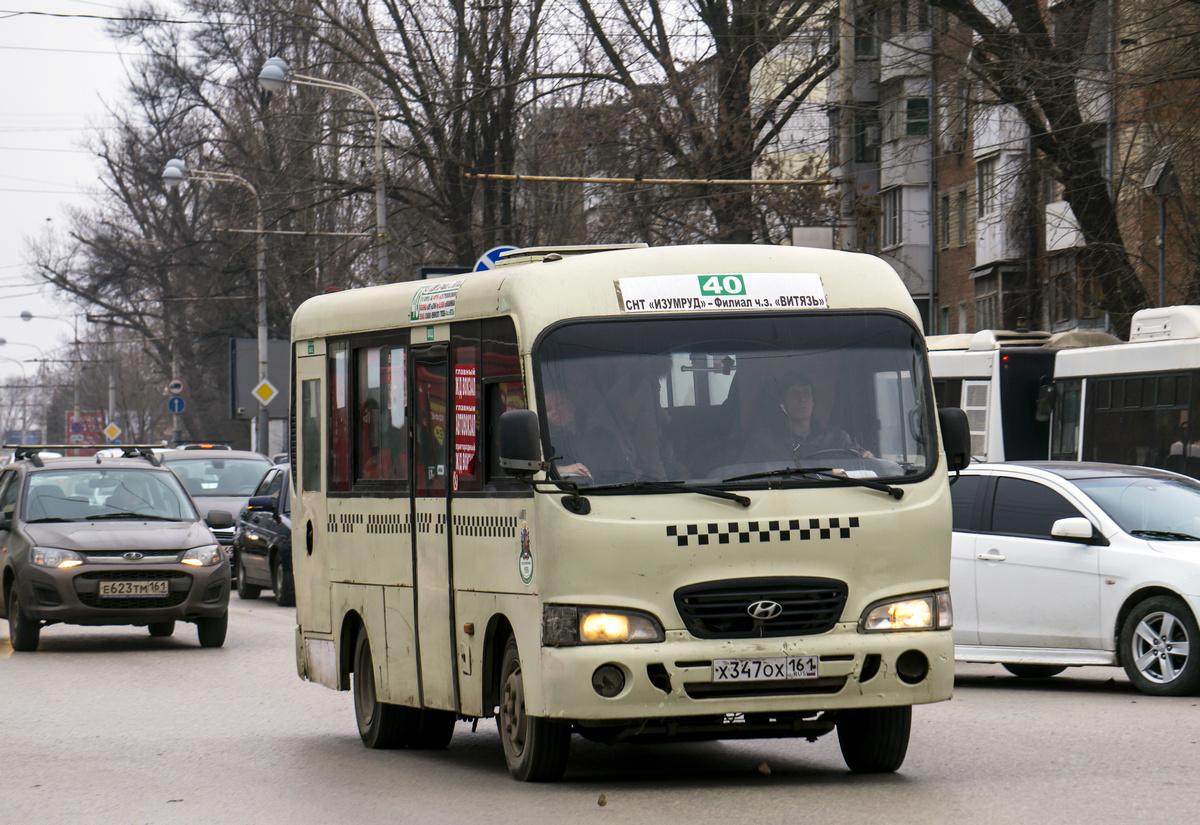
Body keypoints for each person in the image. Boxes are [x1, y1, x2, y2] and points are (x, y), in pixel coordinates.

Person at [741, 373, 873, 463]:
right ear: (782, 403)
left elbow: (864, 462)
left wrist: (867, 457)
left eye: (806, 394)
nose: (802, 399)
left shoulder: (837, 439)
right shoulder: (763, 441)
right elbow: (743, 473)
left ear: (813, 402)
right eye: (795, 394)